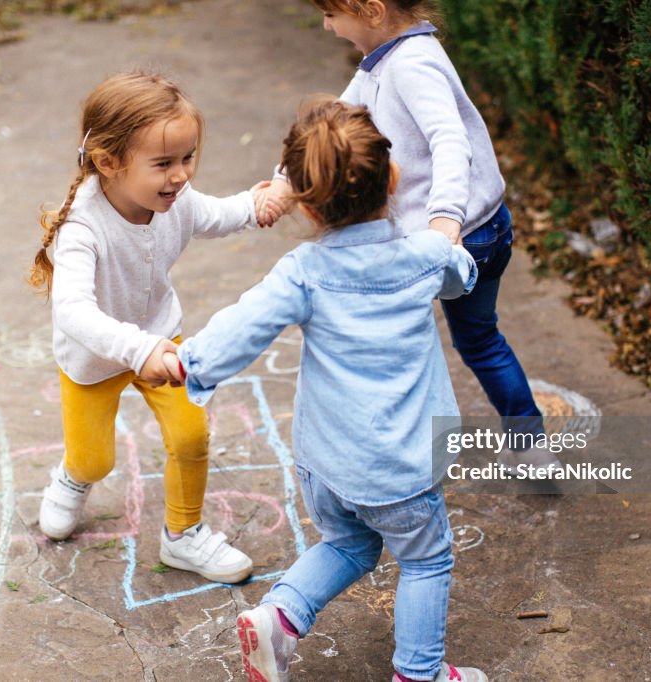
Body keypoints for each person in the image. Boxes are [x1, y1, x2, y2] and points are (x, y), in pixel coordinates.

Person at [161, 99, 487, 682]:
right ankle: (419, 673)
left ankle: (280, 617)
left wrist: (190, 360)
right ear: (393, 178)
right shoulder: (423, 257)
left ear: (307, 206)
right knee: (426, 559)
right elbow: (461, 276)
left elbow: (244, 324)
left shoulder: (305, 270)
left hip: (327, 463)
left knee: (349, 545)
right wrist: (446, 235)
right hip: (402, 468)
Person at [259, 0, 551, 468]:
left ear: (371, 10)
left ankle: (390, 452)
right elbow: (333, 123)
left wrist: (444, 221)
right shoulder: (389, 58)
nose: (326, 25)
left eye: (332, 15)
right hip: (485, 227)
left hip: (455, 239)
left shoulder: (412, 64)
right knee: (480, 340)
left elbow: (450, 140)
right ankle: (531, 444)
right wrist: (282, 178)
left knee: (383, 338)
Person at [28, 71, 282, 583]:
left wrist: (257, 205)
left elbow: (216, 213)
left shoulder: (176, 199)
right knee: (95, 459)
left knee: (191, 436)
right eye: (164, 163)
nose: (181, 175)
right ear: (108, 163)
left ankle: (183, 537)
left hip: (163, 342)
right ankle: (74, 478)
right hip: (96, 359)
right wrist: (137, 349)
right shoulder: (82, 228)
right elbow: (73, 311)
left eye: (187, 158)